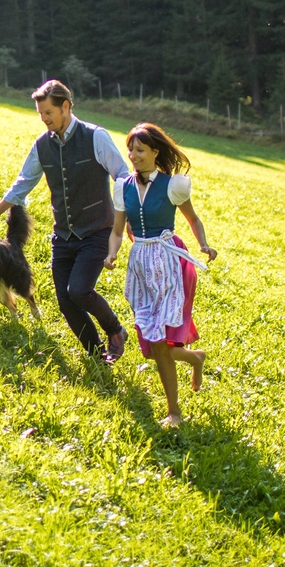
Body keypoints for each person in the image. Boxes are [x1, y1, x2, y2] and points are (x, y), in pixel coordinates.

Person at [0, 80, 132, 362]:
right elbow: (24, 182)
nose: (44, 119)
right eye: (40, 114)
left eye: (48, 112)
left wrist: (128, 214)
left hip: (97, 230)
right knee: (65, 300)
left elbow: (122, 175)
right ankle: (97, 356)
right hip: (62, 234)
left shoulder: (95, 137)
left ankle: (115, 330)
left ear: (66, 106)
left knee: (79, 291)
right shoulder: (42, 145)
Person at [103, 122, 218, 427]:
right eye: (131, 149)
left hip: (168, 264)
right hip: (140, 266)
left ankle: (174, 412)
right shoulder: (123, 186)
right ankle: (195, 357)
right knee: (152, 348)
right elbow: (117, 231)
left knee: (157, 341)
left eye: (140, 150)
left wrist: (204, 244)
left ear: (155, 152)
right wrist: (112, 253)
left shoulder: (173, 185)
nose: (133, 155)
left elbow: (193, 218)